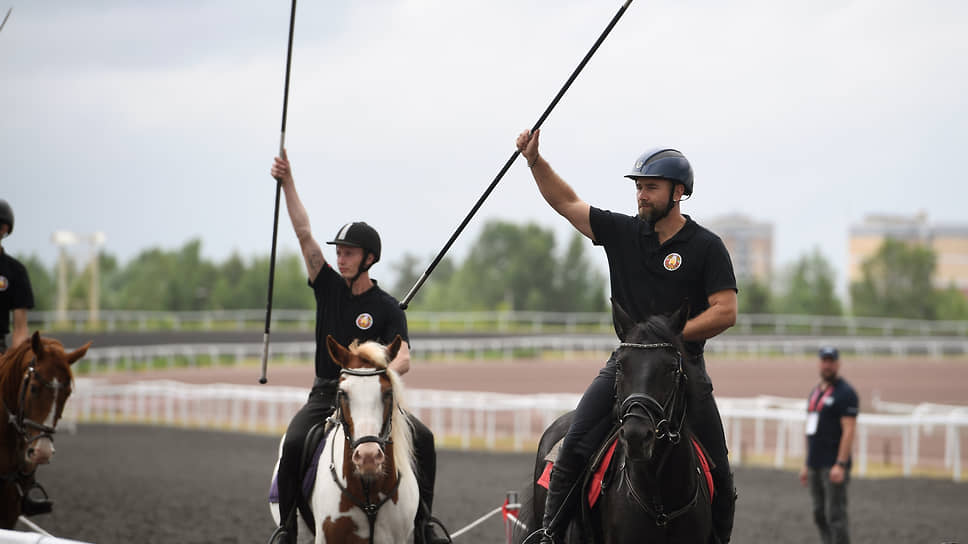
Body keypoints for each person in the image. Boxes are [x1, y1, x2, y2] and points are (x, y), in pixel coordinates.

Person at [515, 130, 738, 544]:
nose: (641, 195)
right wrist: (534, 161)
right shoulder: (622, 232)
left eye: (650, 188)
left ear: (679, 192)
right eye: (638, 187)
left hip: (683, 370)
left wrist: (670, 339)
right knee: (573, 447)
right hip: (627, 366)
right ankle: (548, 536)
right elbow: (566, 203)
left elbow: (726, 310)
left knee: (721, 475)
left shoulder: (707, 246)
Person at [268, 151, 449, 544]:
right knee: (296, 441)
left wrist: (375, 372)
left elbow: (404, 357)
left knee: (425, 440)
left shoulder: (387, 309)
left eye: (348, 253)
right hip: (326, 393)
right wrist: (288, 183)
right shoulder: (328, 286)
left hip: (375, 399)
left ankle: (424, 525)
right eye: (339, 252)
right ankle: (286, 529)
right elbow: (303, 233)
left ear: (369, 258)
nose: (340, 258)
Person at [0, 198, 50, 517]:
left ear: (4, 230)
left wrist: (15, 361)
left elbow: (20, 327)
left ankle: (24, 486)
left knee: (23, 409)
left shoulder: (14, 271)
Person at [799, 346, 858, 544]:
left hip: (832, 465)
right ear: (819, 363)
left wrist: (840, 464)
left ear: (838, 364)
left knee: (836, 516)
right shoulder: (815, 393)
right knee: (819, 514)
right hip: (815, 464)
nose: (827, 365)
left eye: (831, 361)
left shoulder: (846, 393)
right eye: (824, 361)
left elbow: (849, 430)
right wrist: (807, 464)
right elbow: (810, 430)